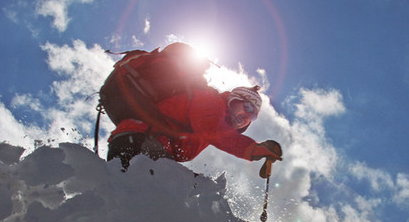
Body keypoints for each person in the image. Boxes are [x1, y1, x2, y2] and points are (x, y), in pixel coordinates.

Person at [104, 45, 282, 171]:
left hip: (136, 143)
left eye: (253, 117)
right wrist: (252, 149)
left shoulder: (215, 125)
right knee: (195, 195)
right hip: (139, 144)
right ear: (233, 100)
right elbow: (210, 127)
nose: (247, 117)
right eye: (247, 107)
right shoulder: (211, 101)